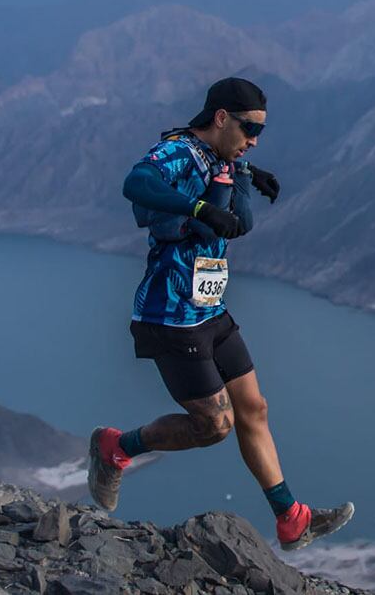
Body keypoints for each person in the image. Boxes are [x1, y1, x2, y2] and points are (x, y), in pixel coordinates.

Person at [87, 76, 354, 552]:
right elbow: (136, 182)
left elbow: (238, 223)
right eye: (250, 128)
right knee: (214, 426)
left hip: (210, 310)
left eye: (261, 133)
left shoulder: (224, 158)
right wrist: (197, 207)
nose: (254, 140)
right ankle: (115, 448)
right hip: (171, 317)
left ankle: (292, 519)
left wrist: (249, 178)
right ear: (221, 117)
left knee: (254, 408)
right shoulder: (180, 152)